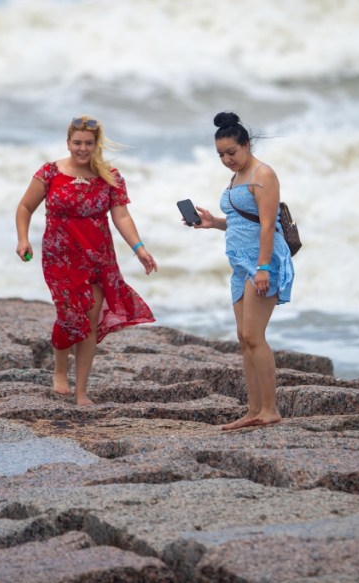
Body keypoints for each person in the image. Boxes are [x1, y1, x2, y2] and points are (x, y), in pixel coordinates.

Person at [15, 115, 157, 406]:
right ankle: (59, 371)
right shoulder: (50, 172)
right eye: (77, 142)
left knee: (90, 320)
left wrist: (139, 248)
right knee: (69, 315)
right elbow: (25, 206)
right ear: (68, 142)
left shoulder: (110, 177)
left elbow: (121, 216)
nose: (82, 148)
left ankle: (81, 391)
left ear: (96, 145)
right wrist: (23, 239)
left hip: (97, 255)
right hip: (60, 254)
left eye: (88, 143)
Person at [191, 111, 294, 430]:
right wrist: (214, 223)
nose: (226, 159)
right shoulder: (236, 176)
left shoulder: (263, 174)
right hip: (239, 263)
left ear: (247, 144)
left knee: (253, 334)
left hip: (263, 261)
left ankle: (270, 409)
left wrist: (263, 267)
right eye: (220, 154)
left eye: (231, 152)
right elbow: (240, 222)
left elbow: (266, 226)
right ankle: (253, 410)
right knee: (242, 337)